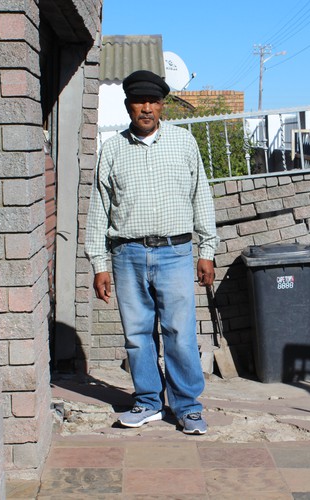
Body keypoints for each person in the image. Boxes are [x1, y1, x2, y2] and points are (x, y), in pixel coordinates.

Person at [85, 69, 218, 435]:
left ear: (162, 106)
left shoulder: (184, 143)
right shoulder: (112, 149)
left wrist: (206, 249)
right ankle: (147, 402)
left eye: (153, 102)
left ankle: (187, 406)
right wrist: (99, 262)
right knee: (137, 334)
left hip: (175, 252)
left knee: (180, 332)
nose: (146, 108)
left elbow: (200, 198)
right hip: (126, 255)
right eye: (139, 102)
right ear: (128, 106)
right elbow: (100, 209)